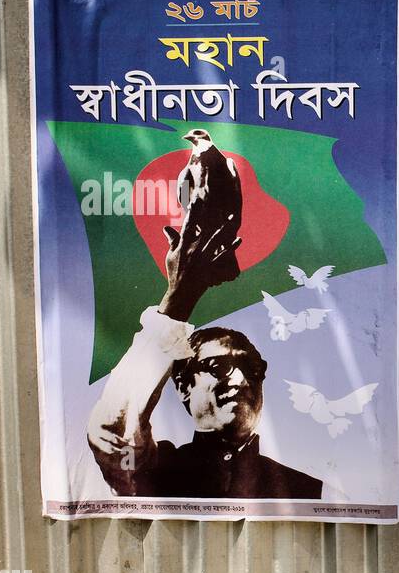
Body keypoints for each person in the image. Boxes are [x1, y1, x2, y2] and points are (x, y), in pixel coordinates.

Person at [87, 198, 322, 499]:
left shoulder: (309, 490)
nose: (239, 380)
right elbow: (114, 432)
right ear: (183, 386)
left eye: (252, 368)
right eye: (218, 367)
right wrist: (179, 299)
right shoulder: (155, 472)